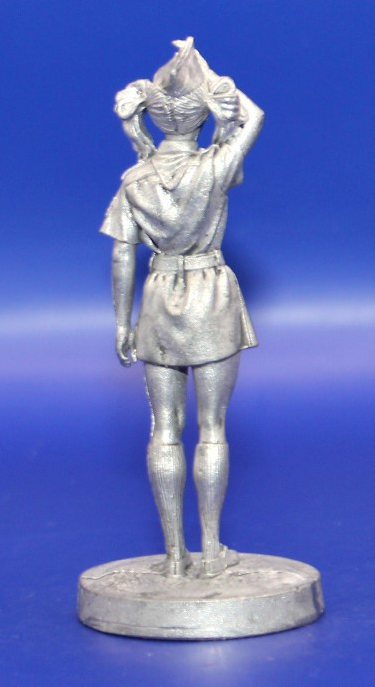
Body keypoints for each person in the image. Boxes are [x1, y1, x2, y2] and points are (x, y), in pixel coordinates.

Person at [100, 38, 264, 578]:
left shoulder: (133, 181)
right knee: (212, 428)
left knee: (164, 431)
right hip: (210, 294)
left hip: (157, 301)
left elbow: (122, 256)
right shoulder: (214, 167)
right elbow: (255, 116)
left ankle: (174, 556)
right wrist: (211, 78)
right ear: (201, 116)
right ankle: (211, 550)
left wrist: (122, 323)